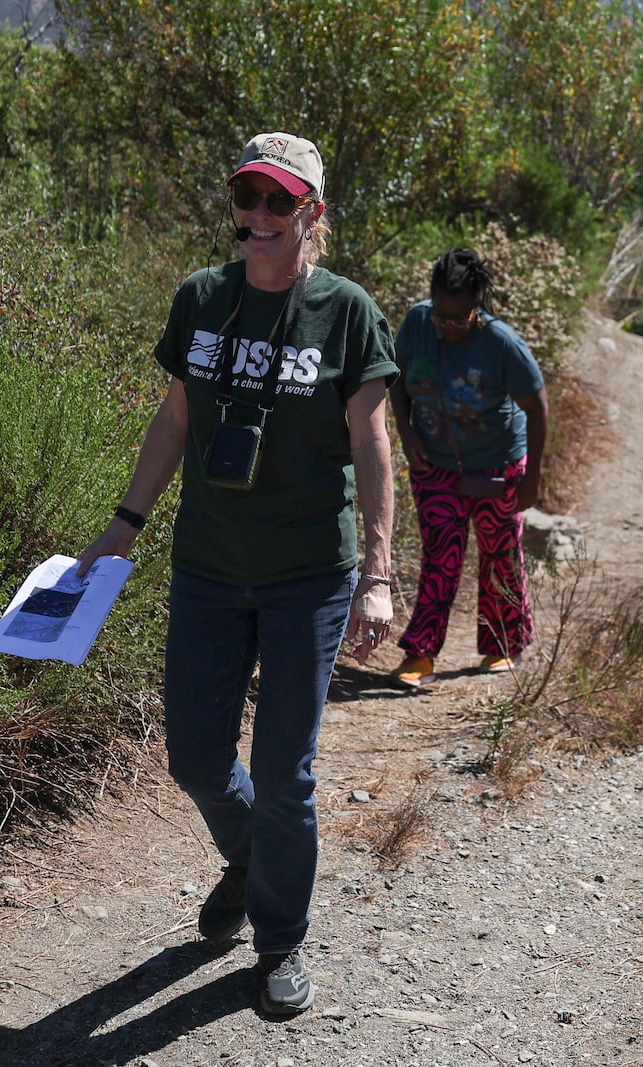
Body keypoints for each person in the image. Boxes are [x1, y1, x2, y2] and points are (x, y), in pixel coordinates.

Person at [75, 132, 397, 1016]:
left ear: (313, 214)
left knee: (286, 768)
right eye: (247, 199)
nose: (258, 217)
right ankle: (255, 857)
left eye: (278, 203)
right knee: (195, 756)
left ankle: (281, 938)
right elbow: (175, 420)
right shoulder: (202, 300)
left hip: (309, 574)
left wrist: (379, 569)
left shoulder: (346, 311)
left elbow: (373, 444)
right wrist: (123, 525)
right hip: (210, 568)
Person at [388, 248, 548, 687]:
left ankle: (502, 644)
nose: (446, 326)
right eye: (441, 314)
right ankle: (419, 654)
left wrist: (532, 478)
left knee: (499, 554)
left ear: (478, 308)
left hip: (496, 467)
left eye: (459, 319)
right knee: (440, 554)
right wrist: (408, 434)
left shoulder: (502, 343)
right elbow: (397, 381)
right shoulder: (418, 323)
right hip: (435, 464)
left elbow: (537, 408)